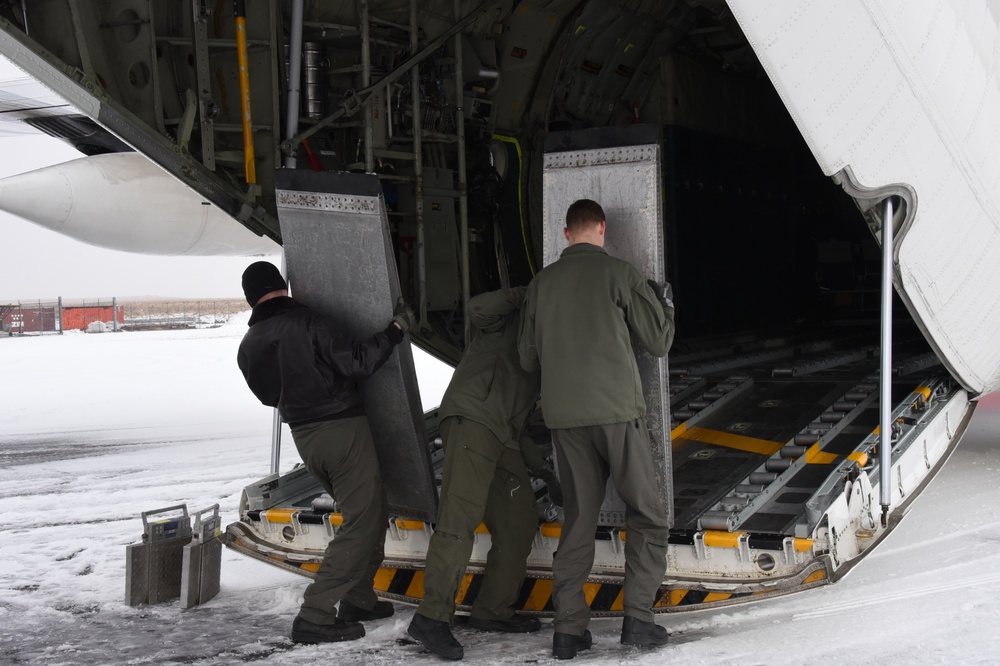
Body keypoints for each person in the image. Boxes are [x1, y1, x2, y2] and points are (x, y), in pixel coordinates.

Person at [518, 199, 676, 660]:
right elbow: (658, 341)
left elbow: (527, 359)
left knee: (578, 522)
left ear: (566, 234)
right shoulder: (621, 275)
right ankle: (638, 621)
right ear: (602, 229)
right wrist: (663, 303)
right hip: (616, 414)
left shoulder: (541, 284)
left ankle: (568, 632)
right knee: (646, 514)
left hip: (565, 422)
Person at [236, 260, 413, 644]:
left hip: (305, 437)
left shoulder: (248, 347)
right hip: (343, 432)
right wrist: (395, 331)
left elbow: (269, 395)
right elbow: (359, 362)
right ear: (282, 285)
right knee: (361, 522)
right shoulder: (312, 323)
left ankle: (360, 598)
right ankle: (315, 613)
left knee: (372, 510)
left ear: (251, 299)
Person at [407, 287, 542, 661]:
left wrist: (547, 470)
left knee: (519, 520)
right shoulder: (506, 322)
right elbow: (478, 308)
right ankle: (431, 617)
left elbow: (521, 418)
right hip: (473, 421)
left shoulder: (547, 340)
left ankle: (493, 610)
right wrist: (530, 291)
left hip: (504, 435)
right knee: (459, 518)